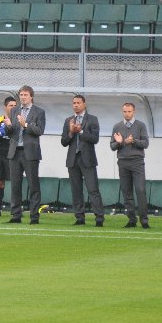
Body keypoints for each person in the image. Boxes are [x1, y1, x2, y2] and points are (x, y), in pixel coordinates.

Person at [4, 86, 46, 225]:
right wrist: (9, 126)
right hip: (15, 152)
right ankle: (16, 215)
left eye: (25, 94)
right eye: (21, 94)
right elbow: (11, 134)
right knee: (15, 186)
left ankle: (34, 216)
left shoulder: (39, 112)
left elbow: (40, 130)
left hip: (30, 153)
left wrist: (26, 124)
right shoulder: (14, 110)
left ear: (31, 96)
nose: (22, 97)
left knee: (33, 186)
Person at [61, 95, 105, 227]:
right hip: (73, 159)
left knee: (93, 189)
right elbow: (63, 142)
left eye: (78, 103)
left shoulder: (92, 119)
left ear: (84, 104)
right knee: (76, 190)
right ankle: (79, 217)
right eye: (74, 103)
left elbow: (94, 139)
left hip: (88, 159)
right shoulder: (68, 120)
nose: (75, 105)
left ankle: (99, 218)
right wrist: (70, 133)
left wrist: (80, 131)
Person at [110, 102, 150, 229]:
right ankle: (131, 220)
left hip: (137, 162)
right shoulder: (117, 126)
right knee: (126, 192)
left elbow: (145, 143)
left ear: (134, 112)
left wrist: (134, 141)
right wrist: (121, 143)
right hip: (122, 162)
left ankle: (144, 220)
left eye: (129, 111)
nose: (127, 114)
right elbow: (112, 146)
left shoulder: (140, 125)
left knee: (140, 190)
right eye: (125, 112)